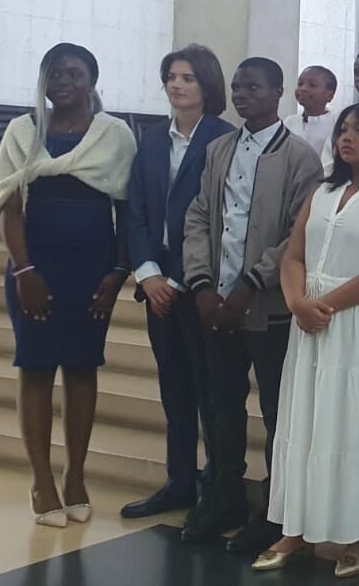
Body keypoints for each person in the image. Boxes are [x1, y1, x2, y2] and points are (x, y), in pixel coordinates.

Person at [254, 103, 359, 577]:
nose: (347, 137)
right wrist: (296, 302)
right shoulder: (323, 191)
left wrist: (321, 306)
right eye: (344, 129)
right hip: (311, 321)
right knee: (308, 418)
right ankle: (298, 527)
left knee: (355, 420)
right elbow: (293, 255)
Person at [180, 57, 325, 552]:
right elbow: (200, 215)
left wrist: (250, 282)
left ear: (278, 92)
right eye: (238, 87)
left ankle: (273, 511)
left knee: (276, 410)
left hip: (267, 307)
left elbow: (298, 232)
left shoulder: (300, 157)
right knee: (221, 404)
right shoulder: (219, 149)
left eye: (254, 87)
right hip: (216, 302)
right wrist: (202, 285)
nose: (242, 95)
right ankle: (223, 496)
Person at [0, 42, 137, 527]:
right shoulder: (23, 130)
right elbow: (9, 204)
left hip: (93, 269)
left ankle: (75, 476)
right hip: (35, 267)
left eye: (74, 74)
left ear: (92, 80)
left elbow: (127, 209)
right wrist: (24, 270)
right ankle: (42, 482)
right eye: (55, 74)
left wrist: (117, 273)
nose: (64, 83)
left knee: (81, 367)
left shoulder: (115, 134)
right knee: (35, 368)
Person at [121, 44, 236, 520]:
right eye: (171, 76)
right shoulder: (151, 138)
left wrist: (181, 278)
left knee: (211, 390)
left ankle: (218, 487)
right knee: (174, 388)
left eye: (187, 77)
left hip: (202, 284)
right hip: (156, 284)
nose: (177, 85)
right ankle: (179, 481)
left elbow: (221, 219)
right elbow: (134, 210)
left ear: (207, 85)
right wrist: (148, 274)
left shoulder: (225, 139)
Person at [283, 65, 339, 174]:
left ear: (329, 95)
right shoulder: (289, 122)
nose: (303, 89)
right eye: (300, 84)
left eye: (312, 85)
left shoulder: (335, 123)